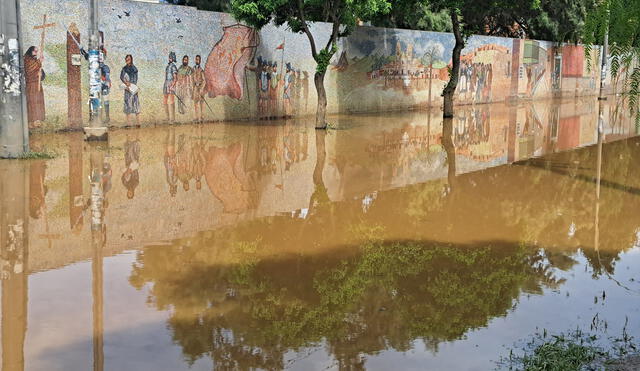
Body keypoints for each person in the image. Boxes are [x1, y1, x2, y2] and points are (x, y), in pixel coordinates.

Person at [24, 46, 46, 127]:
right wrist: (39, 61)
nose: (36, 53)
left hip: (37, 84)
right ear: (30, 51)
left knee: (38, 102)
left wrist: (41, 73)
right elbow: (30, 68)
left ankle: (37, 121)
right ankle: (31, 122)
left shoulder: (34, 60)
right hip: (31, 85)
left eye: (37, 51)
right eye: (35, 51)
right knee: (32, 103)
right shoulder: (26, 59)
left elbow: (38, 69)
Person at [120, 54, 140, 126]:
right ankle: (128, 123)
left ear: (131, 60)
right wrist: (126, 83)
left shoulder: (134, 69)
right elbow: (121, 77)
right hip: (127, 88)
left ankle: (138, 122)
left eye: (128, 59)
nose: (127, 61)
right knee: (127, 105)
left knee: (135, 105)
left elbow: (135, 79)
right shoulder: (124, 68)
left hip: (133, 88)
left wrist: (131, 85)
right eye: (126, 59)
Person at [122, 135, 140, 199]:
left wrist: (126, 172)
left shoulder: (125, 184)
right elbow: (136, 175)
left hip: (127, 166)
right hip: (133, 166)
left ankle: (128, 140)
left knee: (127, 154)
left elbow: (122, 177)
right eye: (131, 193)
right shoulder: (135, 184)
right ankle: (135, 141)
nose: (129, 192)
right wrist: (131, 171)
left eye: (128, 193)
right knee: (134, 154)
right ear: (133, 193)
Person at [163, 52, 178, 123]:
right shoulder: (167, 66)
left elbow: (175, 78)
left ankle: (173, 119)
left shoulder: (173, 66)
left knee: (171, 100)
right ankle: (167, 117)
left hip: (171, 84)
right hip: (166, 83)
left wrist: (172, 86)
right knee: (165, 100)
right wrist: (166, 84)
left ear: (173, 58)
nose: (170, 59)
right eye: (169, 57)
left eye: (171, 57)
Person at [192, 55, 206, 122]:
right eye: (196, 59)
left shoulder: (201, 70)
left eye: (198, 59)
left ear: (200, 61)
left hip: (200, 88)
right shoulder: (193, 69)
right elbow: (192, 79)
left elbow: (204, 81)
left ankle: (202, 117)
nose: (197, 61)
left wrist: (201, 88)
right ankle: (197, 117)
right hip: (195, 88)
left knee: (201, 103)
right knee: (195, 103)